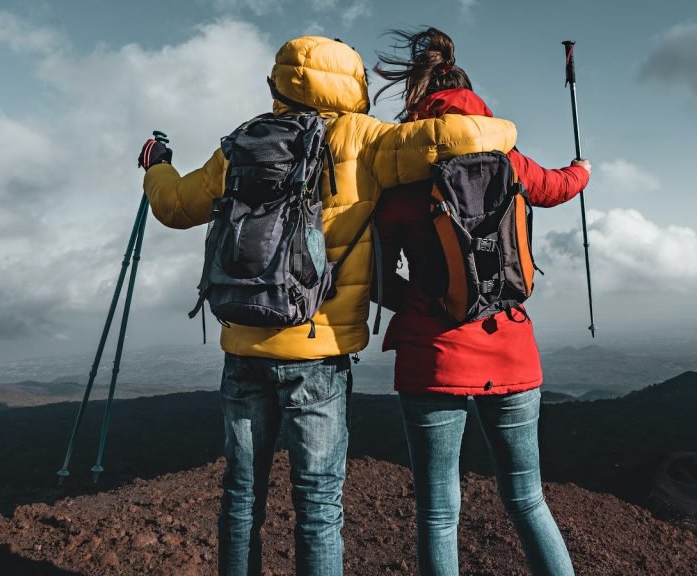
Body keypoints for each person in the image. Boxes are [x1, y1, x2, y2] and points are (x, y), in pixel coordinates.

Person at [137, 35, 519, 576]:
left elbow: (175, 207)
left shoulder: (242, 144)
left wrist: (157, 166)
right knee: (317, 504)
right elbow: (477, 136)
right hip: (318, 350)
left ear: (279, 82)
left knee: (241, 495)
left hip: (243, 343)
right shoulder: (364, 139)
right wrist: (502, 129)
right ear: (353, 83)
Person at [373, 27, 590, 576]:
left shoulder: (400, 177)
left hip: (432, 354)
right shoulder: (508, 161)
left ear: (420, 103)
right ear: (474, 103)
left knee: (437, 513)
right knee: (527, 500)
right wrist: (583, 171)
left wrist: (424, 305)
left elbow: (378, 276)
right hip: (510, 347)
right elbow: (558, 187)